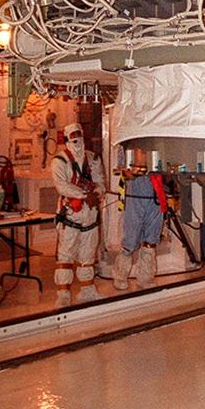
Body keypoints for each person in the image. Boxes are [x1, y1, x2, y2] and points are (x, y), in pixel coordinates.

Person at [50, 123, 105, 306]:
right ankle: (63, 294)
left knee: (88, 254)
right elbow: (61, 185)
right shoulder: (59, 160)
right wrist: (84, 196)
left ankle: (87, 290)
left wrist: (96, 194)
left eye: (79, 135)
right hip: (71, 215)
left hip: (90, 214)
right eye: (72, 136)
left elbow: (100, 182)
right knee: (66, 255)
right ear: (66, 138)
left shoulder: (93, 158)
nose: (77, 139)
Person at [113, 157, 166, 292]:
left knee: (151, 240)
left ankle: (145, 278)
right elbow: (122, 168)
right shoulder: (129, 147)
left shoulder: (160, 147)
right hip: (135, 195)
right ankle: (120, 276)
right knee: (130, 240)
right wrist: (131, 172)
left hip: (156, 196)